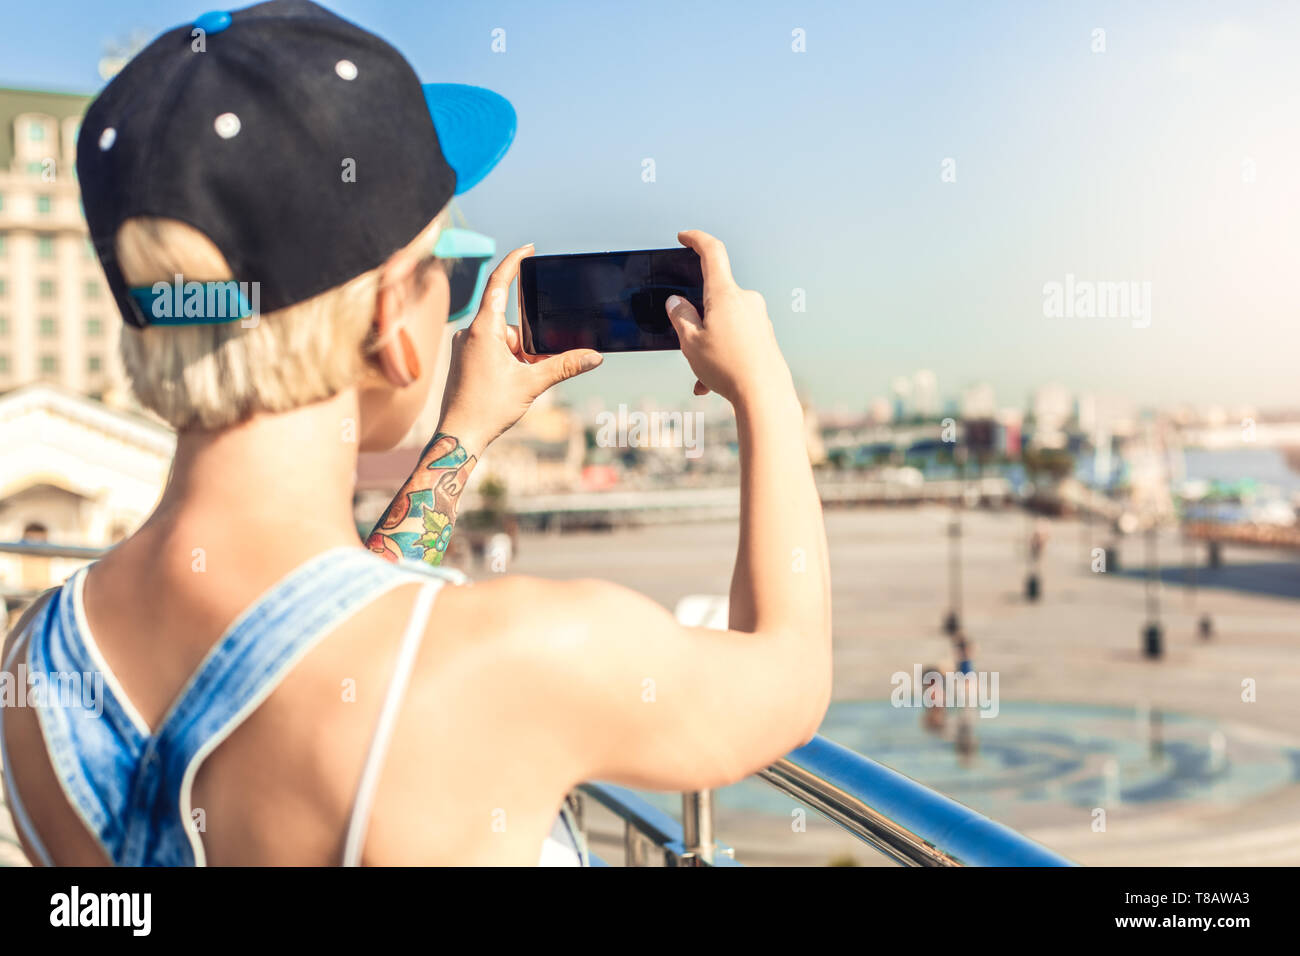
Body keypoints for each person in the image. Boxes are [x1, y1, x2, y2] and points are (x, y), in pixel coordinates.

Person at [0, 0, 830, 866]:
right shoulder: (510, 660)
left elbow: (318, 627)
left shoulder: (40, 660)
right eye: (446, 266)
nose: (453, 298)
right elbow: (788, 678)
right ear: (396, 317)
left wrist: (461, 437)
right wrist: (763, 385)